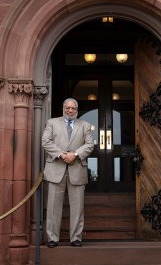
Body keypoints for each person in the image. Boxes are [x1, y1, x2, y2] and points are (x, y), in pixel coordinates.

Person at [42, 98, 94, 248]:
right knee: (53, 206)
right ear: (63, 108)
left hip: (77, 169)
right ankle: (52, 238)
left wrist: (75, 154)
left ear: (77, 110)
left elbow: (90, 145)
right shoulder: (52, 123)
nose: (70, 110)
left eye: (73, 108)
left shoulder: (84, 125)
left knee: (77, 207)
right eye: (68, 108)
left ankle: (76, 238)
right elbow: (46, 141)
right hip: (55, 169)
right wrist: (61, 154)